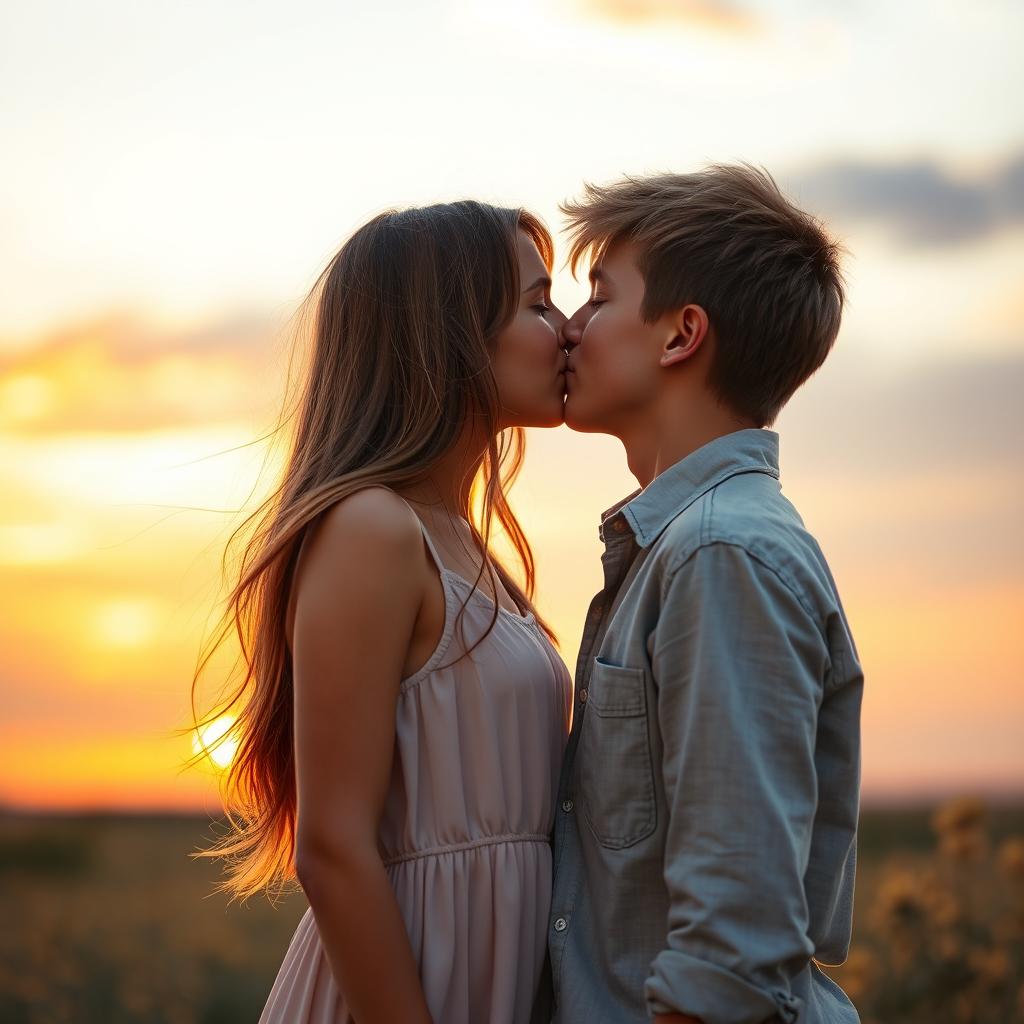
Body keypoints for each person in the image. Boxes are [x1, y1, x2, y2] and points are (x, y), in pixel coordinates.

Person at [188, 200, 574, 1023]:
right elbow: (331, 848)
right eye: (539, 304)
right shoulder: (373, 529)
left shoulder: (467, 547)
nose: (567, 329)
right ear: (452, 331)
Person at [544, 164, 864, 1023]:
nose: (569, 330)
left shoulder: (720, 557)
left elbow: (730, 963)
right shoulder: (681, 549)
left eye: (600, 299)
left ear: (680, 335)